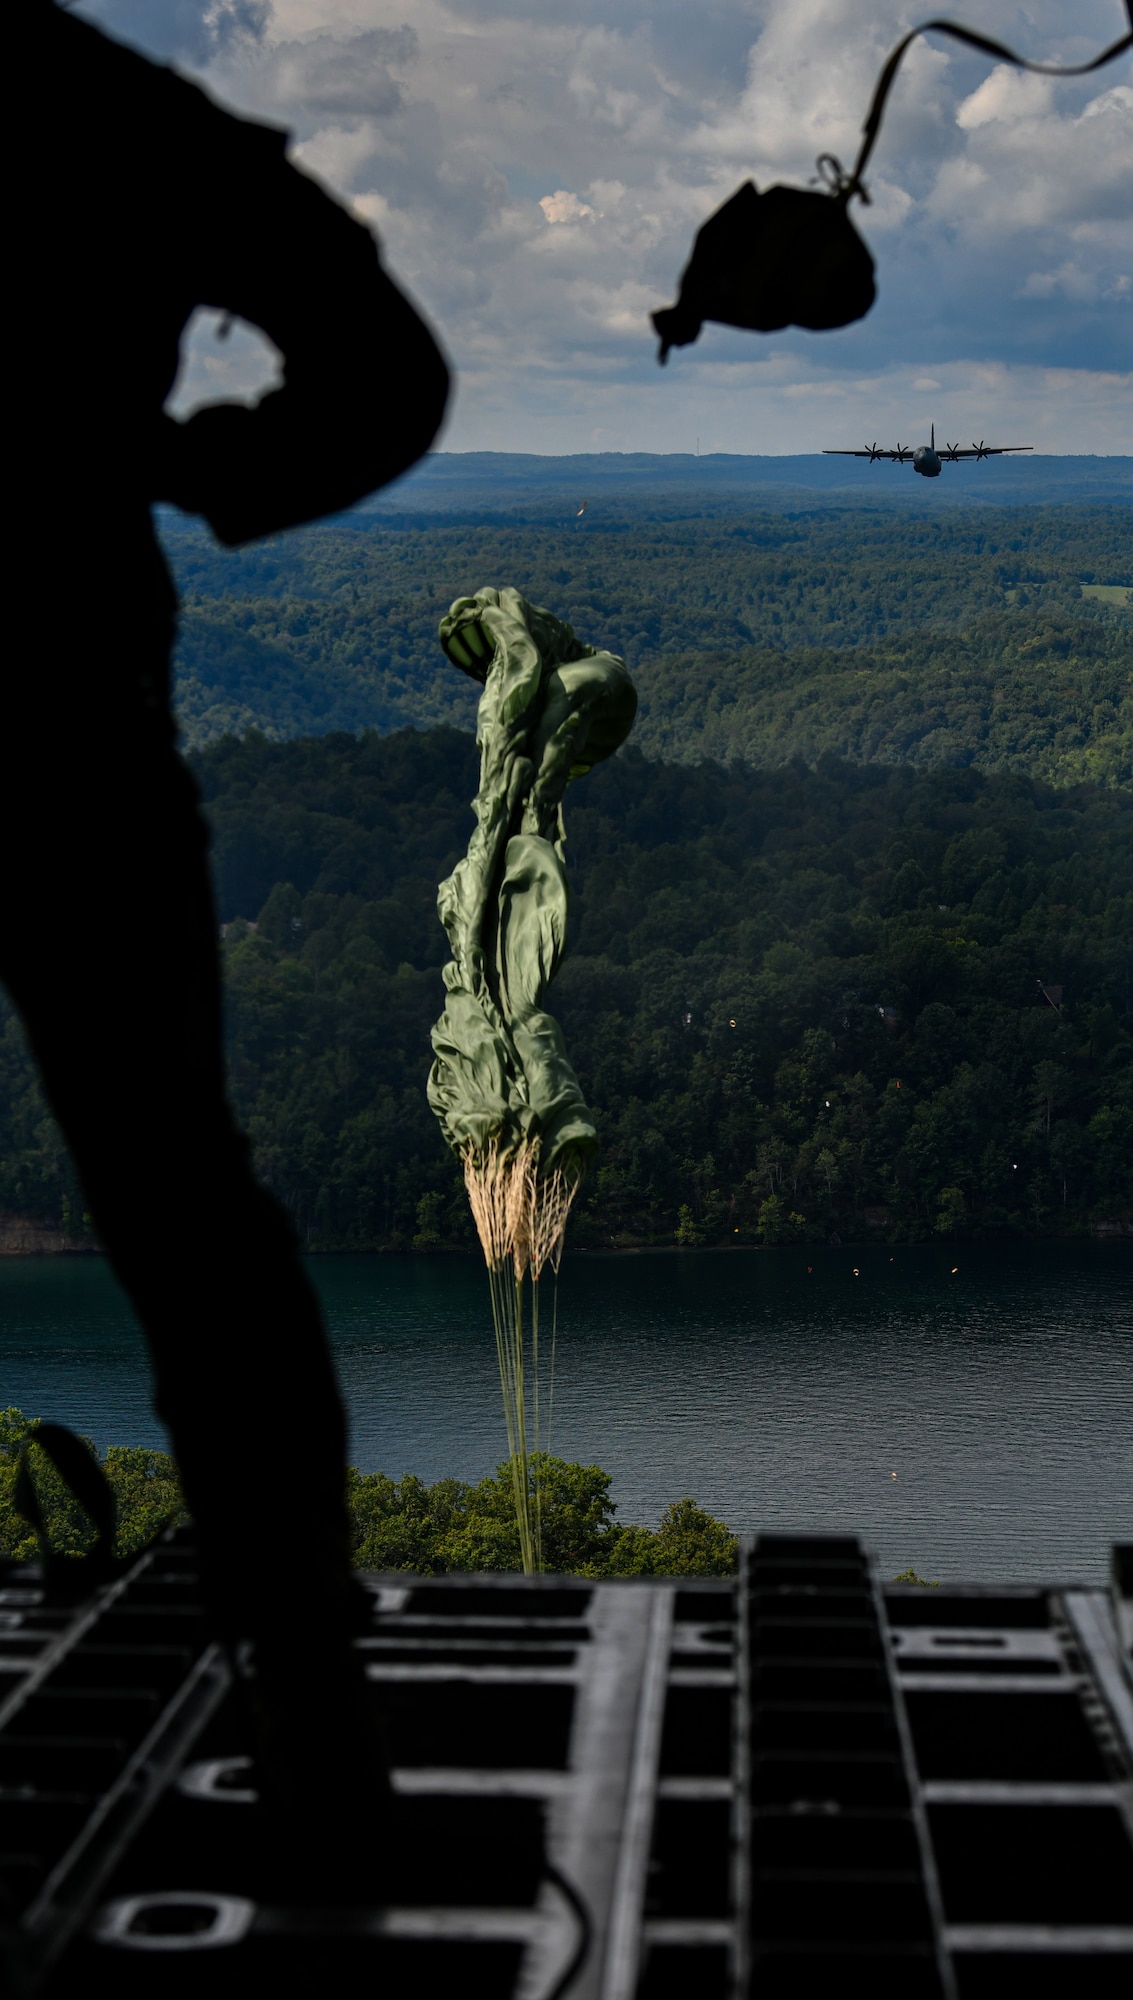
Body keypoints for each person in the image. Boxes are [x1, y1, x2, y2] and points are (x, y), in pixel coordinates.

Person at [6, 0, 451, 1853]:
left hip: (71, 728)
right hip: (60, 723)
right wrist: (189, 466)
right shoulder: (103, 115)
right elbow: (387, 377)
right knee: (188, 1210)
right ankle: (318, 1729)